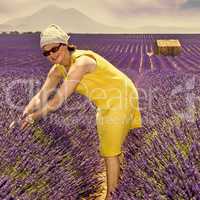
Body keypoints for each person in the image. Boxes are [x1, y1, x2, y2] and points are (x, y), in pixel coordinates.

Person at [18, 24, 142, 200]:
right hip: (104, 103)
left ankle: (111, 196)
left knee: (109, 150)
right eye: (46, 53)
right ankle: (120, 185)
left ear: (65, 44)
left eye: (54, 49)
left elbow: (58, 99)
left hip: (122, 97)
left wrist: (33, 118)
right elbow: (41, 96)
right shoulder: (57, 70)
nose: (52, 55)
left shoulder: (82, 62)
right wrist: (23, 114)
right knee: (109, 143)